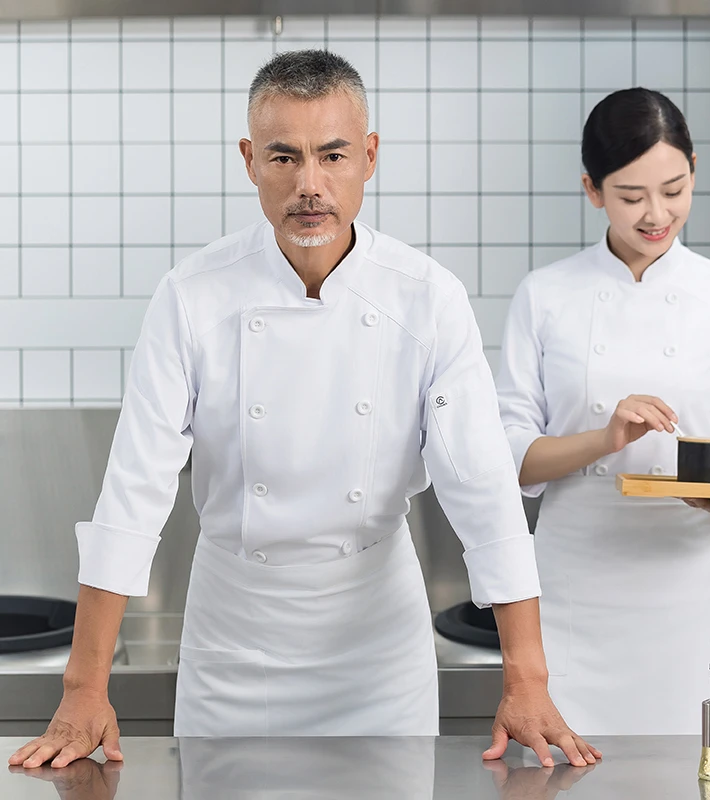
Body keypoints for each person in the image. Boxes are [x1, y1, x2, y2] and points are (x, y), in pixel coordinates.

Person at [9, 50, 600, 770]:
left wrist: (527, 679)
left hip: (378, 655)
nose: (309, 185)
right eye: (284, 157)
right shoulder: (193, 296)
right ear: (250, 159)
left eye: (333, 155)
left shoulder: (426, 297)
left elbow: (480, 488)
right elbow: (134, 489)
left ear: (370, 157)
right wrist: (83, 686)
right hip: (234, 646)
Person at [496, 87, 710, 735]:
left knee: (698, 767)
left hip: (687, 589)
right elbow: (511, 459)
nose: (657, 214)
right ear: (592, 190)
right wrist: (605, 436)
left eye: (675, 190)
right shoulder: (545, 297)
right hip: (573, 591)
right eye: (630, 197)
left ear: (694, 171)